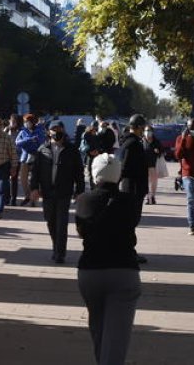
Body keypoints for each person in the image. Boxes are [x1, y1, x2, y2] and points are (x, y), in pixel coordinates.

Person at [75, 154, 142, 365]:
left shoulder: (83, 200)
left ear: (94, 174)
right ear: (118, 175)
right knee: (117, 337)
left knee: (98, 327)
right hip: (124, 270)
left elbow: (81, 231)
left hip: (90, 271)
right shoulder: (130, 201)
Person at [31, 121, 85, 263]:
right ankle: (56, 246)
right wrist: (34, 188)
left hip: (64, 191)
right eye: (53, 130)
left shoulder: (72, 150)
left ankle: (60, 253)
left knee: (62, 223)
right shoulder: (42, 149)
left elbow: (79, 172)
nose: (56, 132)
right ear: (48, 132)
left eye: (59, 129)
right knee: (50, 221)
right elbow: (35, 171)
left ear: (64, 131)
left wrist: (80, 190)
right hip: (47, 192)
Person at [117, 114, 149, 264]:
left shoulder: (131, 142)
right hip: (132, 188)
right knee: (131, 221)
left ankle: (127, 250)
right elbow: (124, 168)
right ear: (136, 127)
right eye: (142, 128)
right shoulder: (132, 144)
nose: (144, 131)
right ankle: (128, 252)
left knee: (130, 221)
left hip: (133, 187)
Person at [15, 113, 47, 207]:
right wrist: (29, 140)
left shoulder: (39, 131)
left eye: (28, 122)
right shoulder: (23, 131)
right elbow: (17, 143)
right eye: (25, 122)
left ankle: (34, 199)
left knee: (34, 180)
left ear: (33, 122)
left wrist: (27, 143)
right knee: (23, 179)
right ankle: (28, 196)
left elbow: (39, 143)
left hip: (36, 158)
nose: (26, 123)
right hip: (24, 158)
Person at [143, 125, 164, 205]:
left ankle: (152, 196)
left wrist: (158, 151)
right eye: (146, 130)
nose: (147, 132)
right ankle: (148, 197)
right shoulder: (142, 141)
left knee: (153, 182)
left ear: (152, 132)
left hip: (153, 165)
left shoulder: (156, 142)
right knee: (146, 182)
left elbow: (162, 151)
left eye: (149, 130)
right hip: (144, 165)